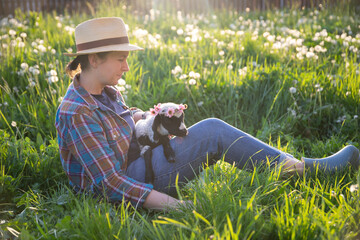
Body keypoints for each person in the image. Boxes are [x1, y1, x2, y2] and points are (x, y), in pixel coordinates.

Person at [56, 17, 360, 211]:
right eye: (121, 59)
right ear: (94, 59)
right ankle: (304, 173)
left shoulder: (105, 91)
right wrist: (175, 205)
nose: (126, 66)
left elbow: (123, 117)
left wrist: (150, 116)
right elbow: (109, 184)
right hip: (127, 184)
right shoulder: (77, 112)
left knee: (211, 130)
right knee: (212, 131)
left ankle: (297, 170)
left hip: (137, 162)